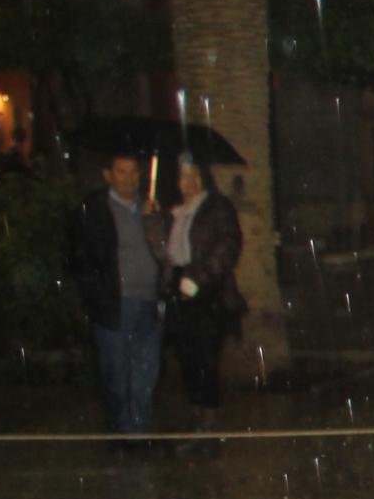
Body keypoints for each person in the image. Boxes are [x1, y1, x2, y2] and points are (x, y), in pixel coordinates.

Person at [66, 148, 168, 446]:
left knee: (145, 371)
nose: (128, 178)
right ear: (108, 175)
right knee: (116, 371)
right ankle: (120, 432)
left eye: (134, 172)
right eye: (121, 172)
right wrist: (94, 295)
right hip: (114, 303)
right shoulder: (94, 210)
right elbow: (79, 257)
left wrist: (155, 221)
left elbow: (165, 251)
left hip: (149, 301)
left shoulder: (149, 207)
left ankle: (140, 431)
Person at [159, 157, 244, 432]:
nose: (191, 183)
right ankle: (197, 418)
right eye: (185, 177)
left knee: (205, 357)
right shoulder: (173, 212)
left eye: (195, 176)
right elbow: (162, 251)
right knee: (186, 358)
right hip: (177, 289)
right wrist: (151, 219)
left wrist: (199, 279)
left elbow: (228, 246)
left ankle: (208, 424)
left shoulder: (216, 207)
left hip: (208, 293)